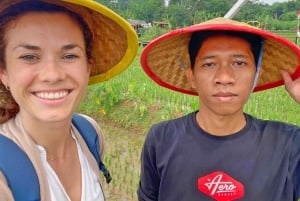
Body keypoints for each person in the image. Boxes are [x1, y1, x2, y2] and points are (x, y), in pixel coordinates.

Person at [137, 17, 300, 201]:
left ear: (256, 75)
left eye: (239, 63)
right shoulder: (161, 139)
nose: (224, 77)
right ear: (191, 77)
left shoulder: (289, 143)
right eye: (209, 64)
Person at [0, 0, 138, 201]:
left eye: (69, 56)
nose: (52, 75)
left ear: (87, 67)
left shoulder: (89, 133)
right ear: (4, 72)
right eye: (29, 57)